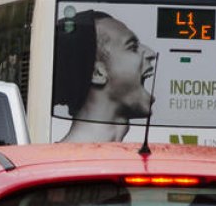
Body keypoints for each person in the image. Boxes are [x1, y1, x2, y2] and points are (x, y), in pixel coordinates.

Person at [53, 10, 158, 142]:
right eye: (132, 47)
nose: (151, 53)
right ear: (97, 73)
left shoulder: (63, 159)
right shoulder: (68, 161)